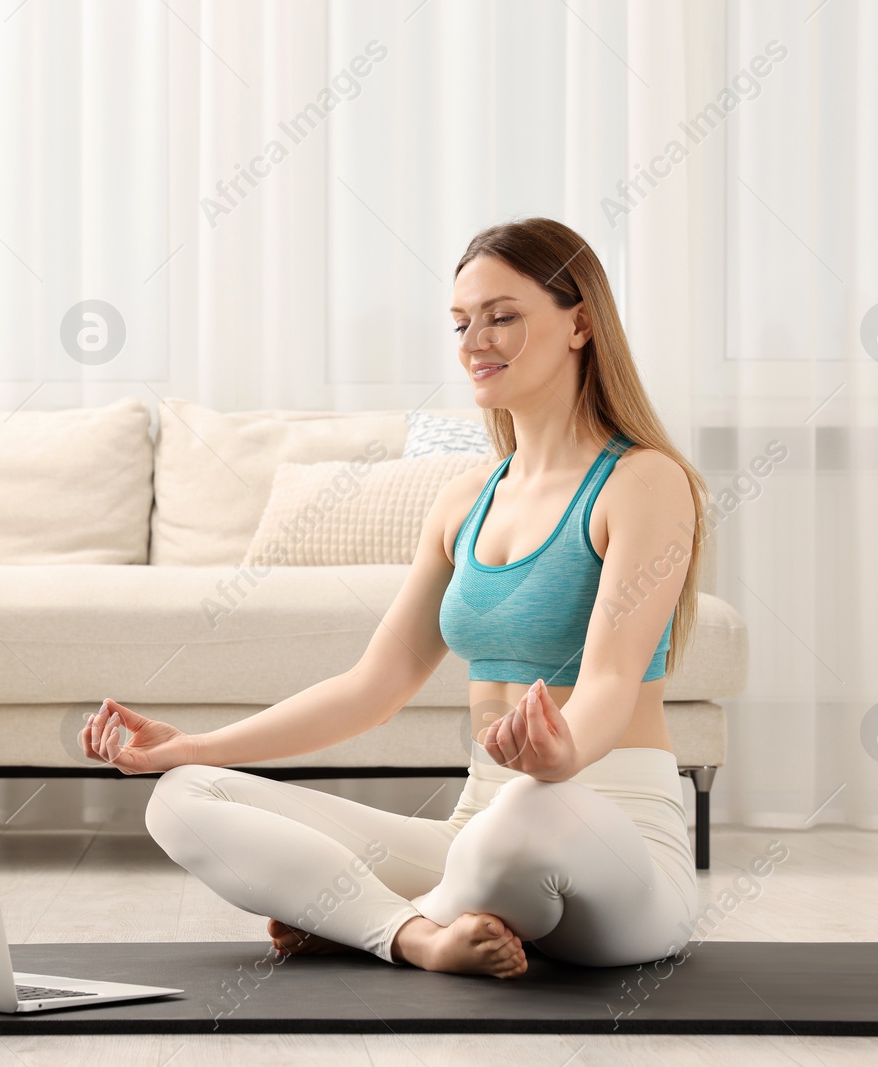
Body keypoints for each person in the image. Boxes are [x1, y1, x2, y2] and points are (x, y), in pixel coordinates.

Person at [80, 217, 710, 979]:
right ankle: (415, 934)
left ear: (580, 323)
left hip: (610, 838)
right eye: (461, 322)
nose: (475, 340)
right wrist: (189, 746)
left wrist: (564, 752)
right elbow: (371, 688)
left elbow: (611, 679)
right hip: (479, 827)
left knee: (523, 815)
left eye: (502, 316)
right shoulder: (464, 500)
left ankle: (355, 916)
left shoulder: (644, 480)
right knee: (183, 798)